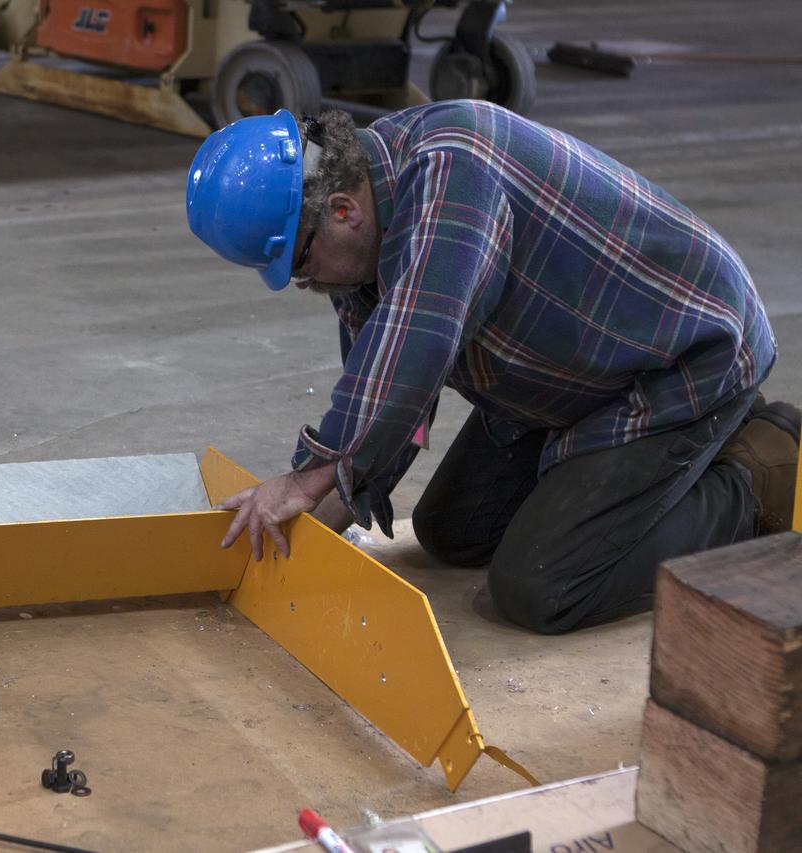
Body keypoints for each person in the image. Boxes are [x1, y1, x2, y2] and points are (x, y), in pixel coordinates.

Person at [185, 102, 798, 634]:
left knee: (543, 588)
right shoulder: (365, 214)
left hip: (682, 361)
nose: (305, 282)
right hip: (572, 374)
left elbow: (415, 346)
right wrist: (329, 513)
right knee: (453, 531)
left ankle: (754, 471)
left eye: (299, 263)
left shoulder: (453, 171)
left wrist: (305, 480)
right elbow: (386, 375)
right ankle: (639, 476)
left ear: (342, 210)